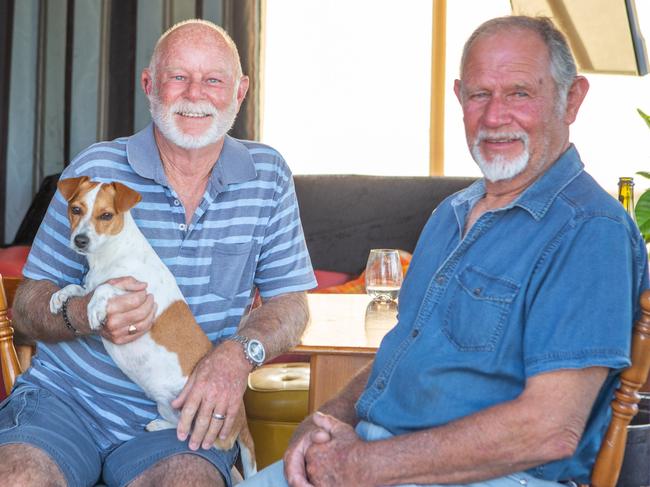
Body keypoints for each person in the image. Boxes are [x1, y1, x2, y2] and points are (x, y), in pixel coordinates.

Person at [241, 15, 649, 487]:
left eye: (519, 93)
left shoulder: (590, 232)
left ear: (571, 99)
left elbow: (551, 430)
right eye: (480, 95)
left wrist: (366, 466)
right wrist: (327, 418)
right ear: (459, 98)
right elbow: (408, 349)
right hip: (380, 454)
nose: (495, 116)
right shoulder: (452, 213)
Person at [0, 19, 316, 487]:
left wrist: (233, 358)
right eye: (178, 77)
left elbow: (291, 302)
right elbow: (26, 307)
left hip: (181, 412)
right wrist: (85, 312)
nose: (195, 93)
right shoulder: (97, 169)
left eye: (213, 79)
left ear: (240, 90)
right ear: (149, 84)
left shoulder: (267, 177)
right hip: (66, 401)